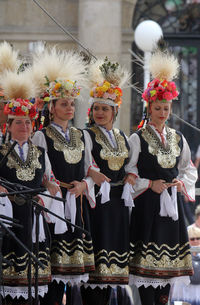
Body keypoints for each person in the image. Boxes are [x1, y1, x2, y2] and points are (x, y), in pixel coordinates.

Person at [128, 51, 197, 305]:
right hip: (147, 208)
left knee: (166, 281)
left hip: (171, 211)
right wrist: (149, 184)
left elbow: (188, 168)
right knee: (146, 276)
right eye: (157, 108)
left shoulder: (178, 138)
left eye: (166, 108)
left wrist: (180, 184)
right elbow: (129, 174)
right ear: (149, 107)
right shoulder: (138, 138)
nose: (162, 112)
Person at [31, 48, 96, 305]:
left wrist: (84, 184)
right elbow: (41, 172)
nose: (69, 108)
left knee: (76, 281)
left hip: (77, 205)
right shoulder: (41, 135)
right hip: (55, 207)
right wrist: (53, 187)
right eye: (63, 104)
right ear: (52, 106)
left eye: (71, 103)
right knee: (54, 280)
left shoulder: (82, 135)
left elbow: (90, 169)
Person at [0, 71, 60, 304]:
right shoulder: (2, 152)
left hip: (34, 216)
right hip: (10, 219)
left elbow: (48, 179)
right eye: (18, 122)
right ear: (10, 125)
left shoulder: (40, 152)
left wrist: (48, 187)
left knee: (35, 283)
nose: (24, 126)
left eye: (27, 122)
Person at [81, 58, 136, 305]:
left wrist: (131, 175)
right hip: (97, 206)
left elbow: (131, 166)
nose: (99, 113)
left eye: (105, 109)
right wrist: (92, 173)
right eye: (96, 108)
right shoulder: (86, 135)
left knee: (112, 273)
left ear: (115, 111)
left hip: (118, 207)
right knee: (95, 274)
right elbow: (83, 165)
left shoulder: (122, 136)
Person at [170, 226, 200, 305]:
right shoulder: (182, 253)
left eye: (198, 238)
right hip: (185, 291)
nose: (195, 241)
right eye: (192, 239)